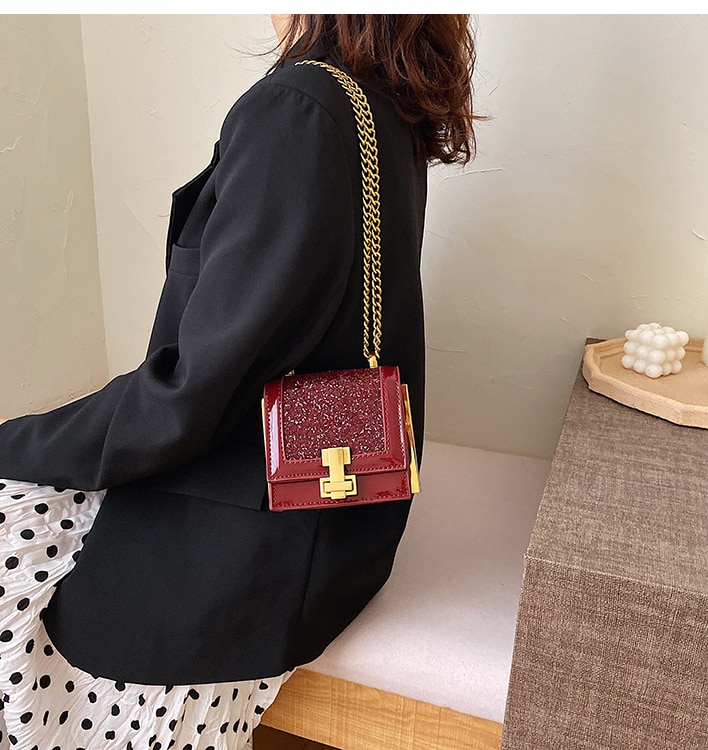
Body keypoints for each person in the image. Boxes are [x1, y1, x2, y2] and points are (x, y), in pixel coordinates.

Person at [0, 13, 478, 749]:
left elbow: (190, 395)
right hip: (347, 515)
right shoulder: (384, 107)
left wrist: (16, 441)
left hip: (262, 540)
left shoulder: (300, 109)